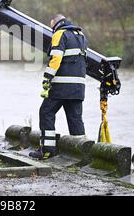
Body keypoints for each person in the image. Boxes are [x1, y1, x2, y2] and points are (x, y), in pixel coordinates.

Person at [29, 14, 88, 160]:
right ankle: (81, 153)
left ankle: (47, 150)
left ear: (55, 24)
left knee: (46, 112)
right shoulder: (81, 36)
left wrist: (47, 78)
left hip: (61, 86)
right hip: (78, 87)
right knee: (75, 118)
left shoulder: (59, 34)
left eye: (52, 27)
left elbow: (56, 58)